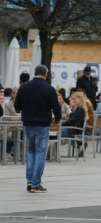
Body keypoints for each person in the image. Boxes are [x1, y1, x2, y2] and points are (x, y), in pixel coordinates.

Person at [14, 65, 62, 193]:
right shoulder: (49, 89)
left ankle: (30, 181)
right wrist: (57, 118)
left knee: (31, 152)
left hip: (28, 123)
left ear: (34, 73)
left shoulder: (23, 87)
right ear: (46, 74)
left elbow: (17, 105)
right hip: (42, 124)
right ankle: (36, 184)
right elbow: (56, 108)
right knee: (41, 153)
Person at [60, 92, 88, 157]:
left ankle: (78, 144)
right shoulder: (79, 108)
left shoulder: (81, 109)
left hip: (74, 130)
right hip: (73, 129)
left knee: (58, 132)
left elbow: (72, 120)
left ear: (80, 99)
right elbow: (71, 119)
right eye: (72, 99)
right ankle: (79, 144)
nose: (72, 100)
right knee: (58, 131)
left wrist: (61, 125)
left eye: (74, 99)